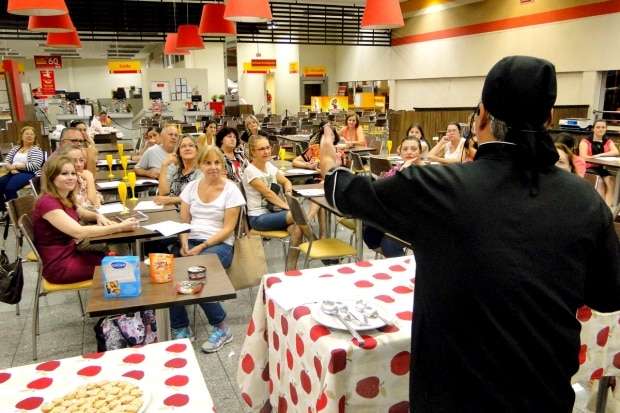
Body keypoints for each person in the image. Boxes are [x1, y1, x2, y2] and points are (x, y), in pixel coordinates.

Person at [319, 56, 620, 411]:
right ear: (549, 119)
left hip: (452, 400)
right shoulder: (584, 201)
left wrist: (329, 165)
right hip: (544, 397)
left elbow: (349, 193)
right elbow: (608, 294)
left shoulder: (439, 190)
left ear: (480, 118)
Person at [170, 146, 246, 351]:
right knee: (169, 272)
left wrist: (201, 246)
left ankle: (222, 327)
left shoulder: (232, 190)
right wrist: (184, 242)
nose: (213, 167)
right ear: (200, 165)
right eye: (207, 163)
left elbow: (228, 229)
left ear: (222, 165)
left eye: (217, 163)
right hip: (192, 242)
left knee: (195, 273)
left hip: (219, 245)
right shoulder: (191, 187)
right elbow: (184, 221)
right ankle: (180, 327)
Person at [32, 156, 138, 284]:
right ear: (51, 177)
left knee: (118, 260)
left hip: (71, 253)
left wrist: (98, 216)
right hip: (59, 265)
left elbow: (82, 213)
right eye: (64, 174)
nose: (71, 177)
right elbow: (79, 232)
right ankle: (119, 300)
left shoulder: (64, 196)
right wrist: (119, 227)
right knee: (122, 268)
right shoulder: (47, 202)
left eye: (73, 173)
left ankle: (116, 297)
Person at [242, 136, 302, 270]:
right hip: (258, 218)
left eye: (268, 147)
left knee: (297, 229)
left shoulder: (269, 166)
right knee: (298, 215)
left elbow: (286, 181)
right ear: (253, 152)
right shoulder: (250, 171)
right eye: (261, 149)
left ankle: (291, 269)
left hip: (274, 212)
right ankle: (315, 243)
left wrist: (288, 193)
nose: (266, 151)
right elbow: (268, 194)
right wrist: (288, 206)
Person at [0, 126, 45, 213]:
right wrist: (10, 168)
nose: (29, 136)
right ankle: (5, 211)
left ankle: (17, 213)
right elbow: (7, 161)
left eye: (32, 134)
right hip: (13, 172)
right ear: (22, 136)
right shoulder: (16, 148)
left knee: (10, 188)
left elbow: (35, 165)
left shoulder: (36, 150)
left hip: (29, 173)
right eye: (27, 134)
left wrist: (17, 166)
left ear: (35, 137)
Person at [578, 120, 619, 206]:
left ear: (606, 129)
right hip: (587, 168)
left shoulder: (607, 140)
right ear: (593, 129)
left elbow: (616, 152)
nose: (601, 129)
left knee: (611, 181)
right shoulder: (585, 141)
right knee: (600, 183)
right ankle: (599, 208)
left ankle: (608, 208)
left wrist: (599, 155)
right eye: (598, 127)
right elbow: (583, 157)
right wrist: (593, 157)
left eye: (603, 127)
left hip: (599, 168)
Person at [155, 136, 202, 206]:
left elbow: (198, 197)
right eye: (183, 146)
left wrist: (171, 200)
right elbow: (163, 193)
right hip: (171, 211)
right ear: (178, 152)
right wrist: (164, 165)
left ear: (197, 151)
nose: (187, 148)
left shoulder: (201, 171)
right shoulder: (175, 170)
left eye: (191, 145)